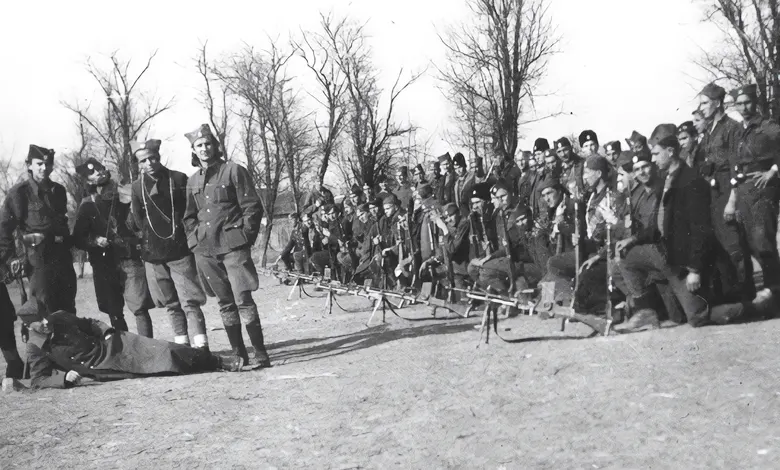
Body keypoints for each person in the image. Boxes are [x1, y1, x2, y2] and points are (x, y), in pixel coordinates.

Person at [616, 124, 750, 332]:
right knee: (626, 256)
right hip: (668, 255)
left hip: (686, 261)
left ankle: (753, 307)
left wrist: (695, 270)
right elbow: (657, 225)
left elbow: (701, 230)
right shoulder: (667, 179)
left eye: (656, 154)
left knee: (696, 317)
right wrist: (632, 240)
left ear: (670, 152)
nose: (652, 160)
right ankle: (646, 311)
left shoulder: (690, 181)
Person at [182, 124, 270, 368]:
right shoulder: (192, 181)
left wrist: (244, 237)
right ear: (193, 150)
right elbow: (189, 216)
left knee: (243, 300)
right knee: (225, 303)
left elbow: (252, 206)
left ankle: (261, 354)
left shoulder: (233, 171)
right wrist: (194, 240)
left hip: (233, 248)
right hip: (206, 252)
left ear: (215, 146)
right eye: (199, 145)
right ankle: (239, 354)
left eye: (208, 143)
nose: (204, 148)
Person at [18, 296, 241, 390]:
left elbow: (89, 323)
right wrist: (62, 378)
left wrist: (105, 331)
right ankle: (214, 362)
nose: (47, 322)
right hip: (102, 366)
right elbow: (38, 379)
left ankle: (219, 361)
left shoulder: (59, 316)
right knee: (161, 369)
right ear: (30, 326)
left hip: (115, 343)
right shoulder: (36, 347)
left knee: (165, 349)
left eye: (45, 316)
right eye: (40, 322)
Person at [130, 139, 210, 348]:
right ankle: (182, 346)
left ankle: (201, 346)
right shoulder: (137, 187)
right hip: (154, 254)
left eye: (153, 158)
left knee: (190, 300)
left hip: (180, 250)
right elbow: (138, 219)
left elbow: (190, 212)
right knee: (170, 303)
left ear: (159, 156)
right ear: (138, 164)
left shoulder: (177, 178)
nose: (149, 163)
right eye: (143, 161)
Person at [72, 157, 153, 335]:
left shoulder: (125, 195)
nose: (99, 172)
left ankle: (149, 349)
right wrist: (94, 241)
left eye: (100, 168)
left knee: (140, 308)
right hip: (104, 264)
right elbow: (78, 238)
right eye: (93, 172)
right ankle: (125, 351)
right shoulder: (86, 205)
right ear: (88, 181)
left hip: (129, 258)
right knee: (114, 311)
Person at [0, 145, 77, 314]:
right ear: (29, 165)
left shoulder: (59, 191)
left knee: (68, 308)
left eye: (48, 164)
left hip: (62, 258)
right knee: (42, 311)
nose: (44, 168)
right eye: (39, 163)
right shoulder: (19, 193)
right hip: (38, 261)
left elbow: (62, 223)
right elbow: (4, 229)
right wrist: (11, 258)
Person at [698, 82, 748, 304]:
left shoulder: (732, 128)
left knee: (734, 244)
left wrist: (733, 200)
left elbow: (738, 166)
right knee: (719, 244)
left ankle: (746, 295)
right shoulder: (709, 130)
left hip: (728, 190)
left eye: (705, 103)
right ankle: (731, 294)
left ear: (717, 103)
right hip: (713, 192)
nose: (702, 108)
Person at [731, 84, 780, 303]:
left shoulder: (767, 126)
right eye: (739, 104)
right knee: (750, 242)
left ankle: (774, 289)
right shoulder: (738, 130)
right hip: (743, 189)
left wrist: (773, 171)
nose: (743, 107)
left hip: (763, 189)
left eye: (747, 102)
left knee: (763, 240)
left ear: (755, 102)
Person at [0, 281, 23, 391]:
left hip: (4, 318)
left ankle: (16, 369)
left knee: (8, 345)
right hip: (5, 318)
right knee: (8, 345)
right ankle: (16, 368)